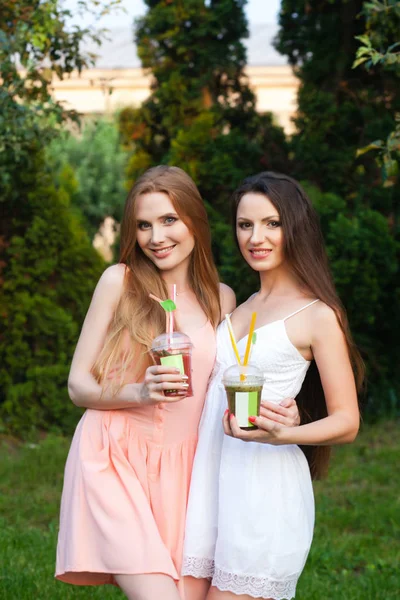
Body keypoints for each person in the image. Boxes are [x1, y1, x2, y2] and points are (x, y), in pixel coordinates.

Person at [55, 165, 299, 600]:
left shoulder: (220, 298)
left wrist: (281, 406)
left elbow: (233, 375)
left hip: (189, 468)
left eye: (169, 220)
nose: (156, 237)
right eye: (144, 225)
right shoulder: (120, 282)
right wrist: (139, 391)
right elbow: (77, 385)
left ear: (194, 221)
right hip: (116, 457)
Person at [182, 172, 363, 600]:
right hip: (212, 483)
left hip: (264, 492)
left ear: (295, 228)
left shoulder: (318, 314)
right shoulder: (236, 307)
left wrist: (285, 433)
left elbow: (347, 421)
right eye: (245, 225)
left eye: (272, 223)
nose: (256, 237)